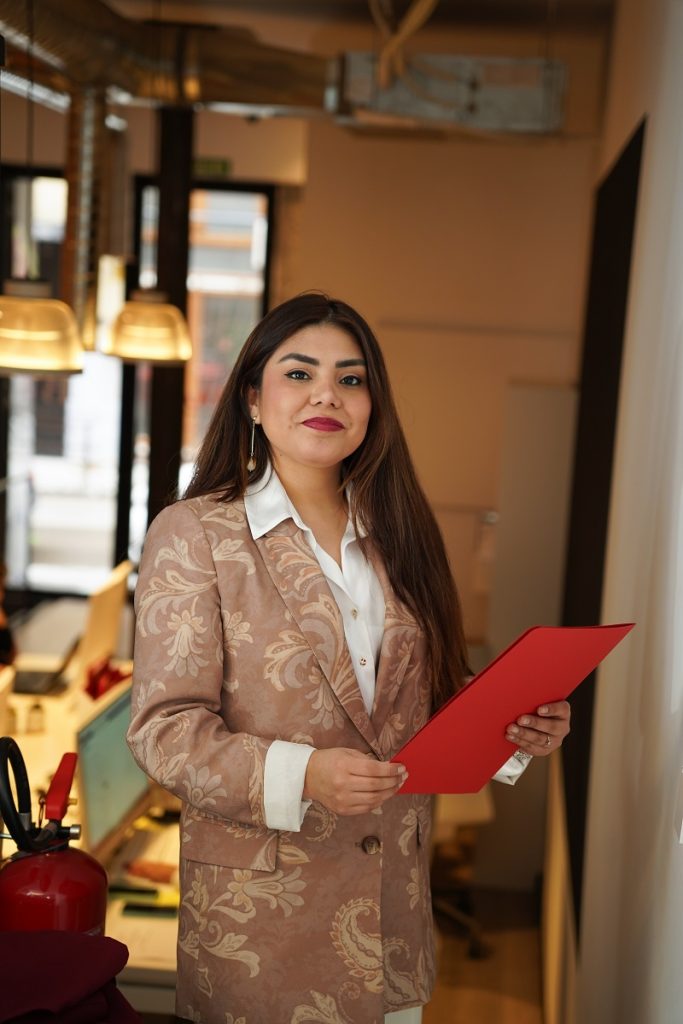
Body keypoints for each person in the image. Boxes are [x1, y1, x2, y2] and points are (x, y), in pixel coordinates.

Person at [127, 292, 570, 1024]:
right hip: (261, 930)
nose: (326, 394)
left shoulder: (400, 532)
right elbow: (164, 732)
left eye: (351, 378)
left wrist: (511, 727)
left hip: (392, 914)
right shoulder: (196, 533)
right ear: (253, 400)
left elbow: (422, 701)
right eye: (299, 374)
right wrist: (305, 774)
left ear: (372, 405)